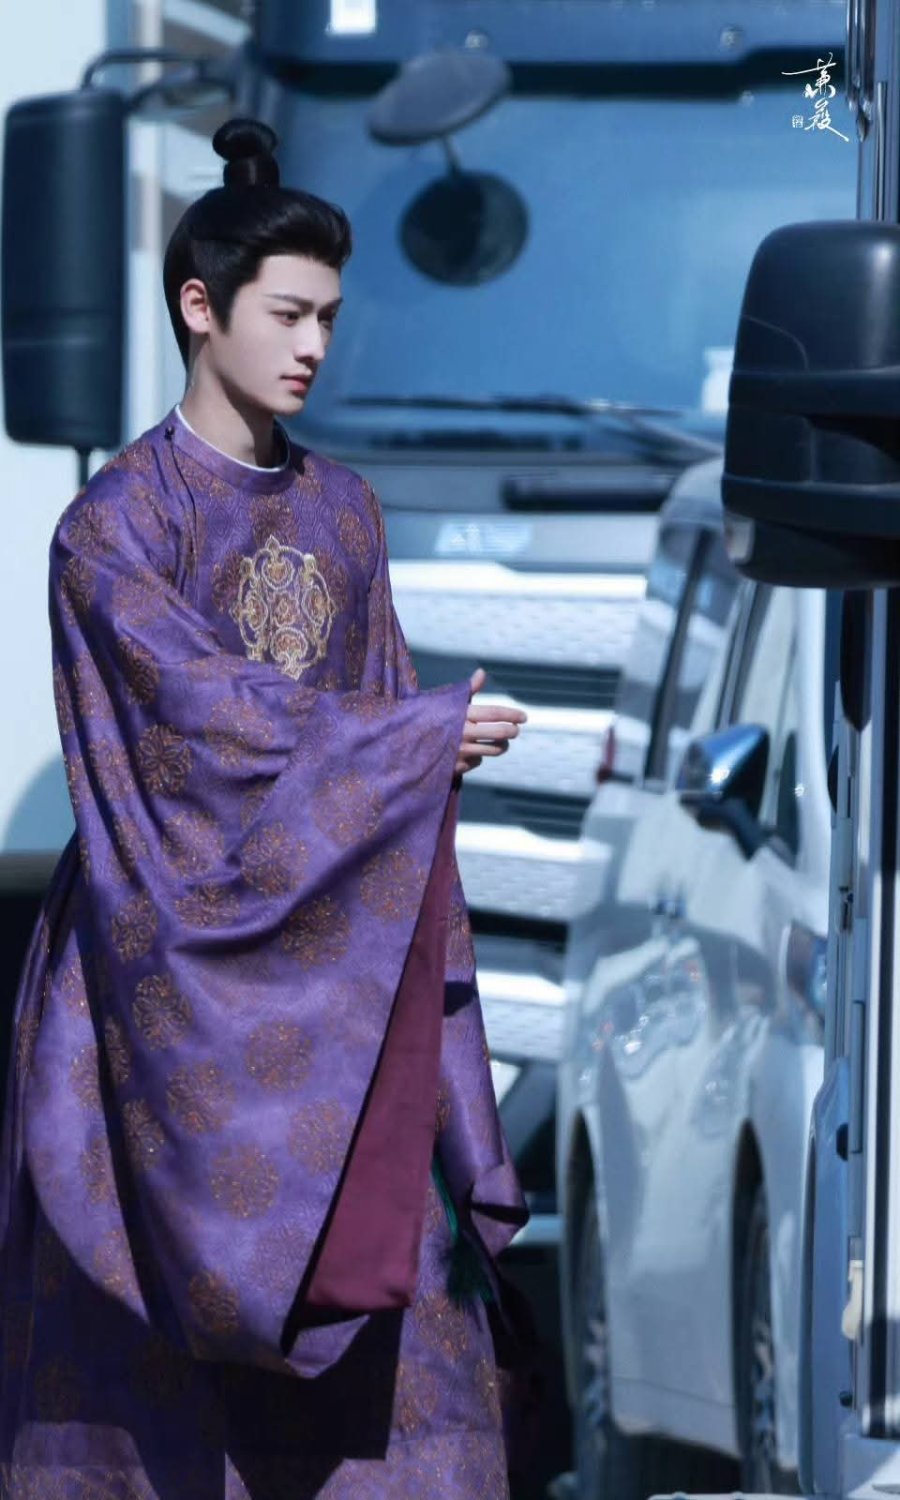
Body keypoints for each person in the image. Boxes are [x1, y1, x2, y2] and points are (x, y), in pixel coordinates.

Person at [0, 117, 532, 1498]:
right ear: (201, 306)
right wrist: (409, 740)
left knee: (406, 1338)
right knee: (143, 1362)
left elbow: (376, 717)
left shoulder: (347, 512)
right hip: (152, 993)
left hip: (338, 984)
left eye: (328, 318)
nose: (312, 346)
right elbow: (191, 723)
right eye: (286, 313)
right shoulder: (112, 528)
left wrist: (414, 755)